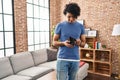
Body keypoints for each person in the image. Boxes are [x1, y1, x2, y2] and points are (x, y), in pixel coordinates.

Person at [53, 2, 86, 80]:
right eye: (69, 16)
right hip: (62, 59)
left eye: (73, 17)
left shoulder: (81, 27)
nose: (71, 19)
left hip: (75, 59)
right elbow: (54, 42)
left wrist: (79, 42)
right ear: (65, 14)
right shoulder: (60, 25)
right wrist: (63, 43)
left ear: (76, 16)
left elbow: (84, 44)